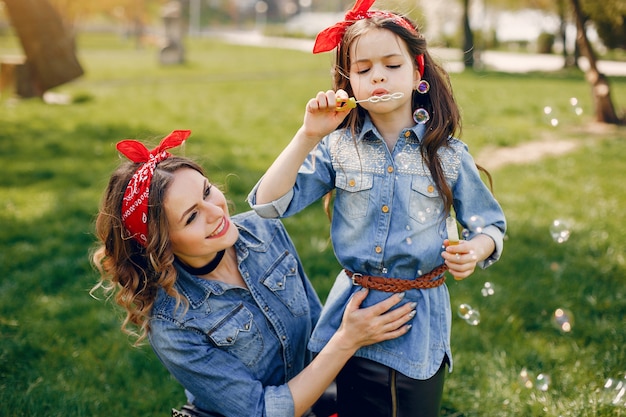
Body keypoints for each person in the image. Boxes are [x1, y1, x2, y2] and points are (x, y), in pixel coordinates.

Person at [247, 1, 507, 416]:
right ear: (349, 83)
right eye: (364, 69)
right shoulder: (337, 149)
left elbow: (490, 224)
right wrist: (307, 135)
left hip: (416, 323)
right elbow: (267, 206)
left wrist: (476, 249)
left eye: (391, 64)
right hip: (352, 315)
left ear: (418, 71)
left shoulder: (447, 155)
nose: (379, 76)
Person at [90, 129, 418, 417]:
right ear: (162, 246)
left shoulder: (263, 229)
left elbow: (316, 331)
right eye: (191, 217)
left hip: (314, 398)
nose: (215, 211)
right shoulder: (174, 324)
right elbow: (261, 411)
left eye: (206, 192)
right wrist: (347, 340)